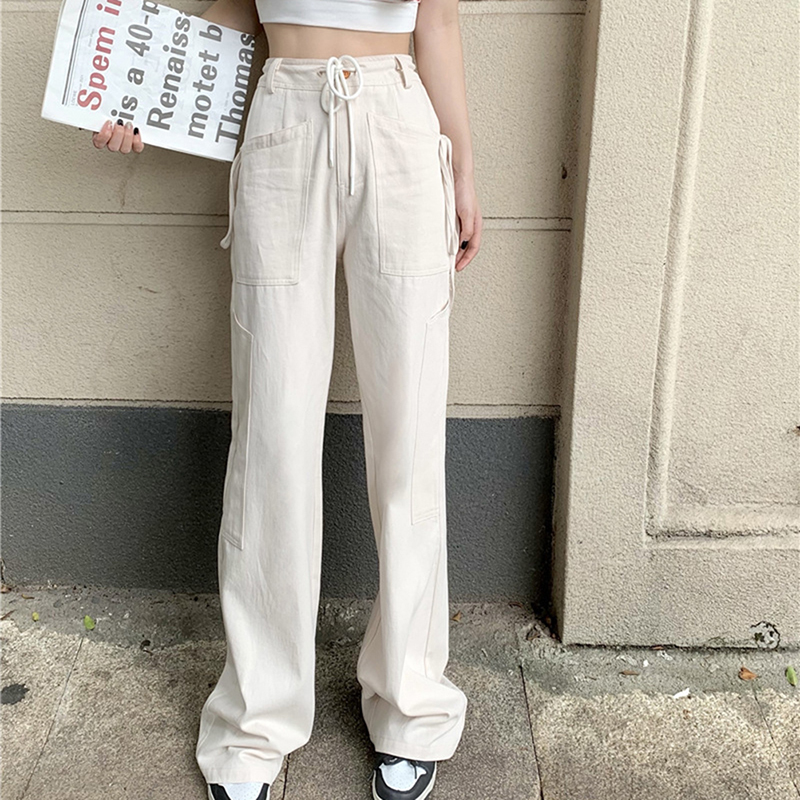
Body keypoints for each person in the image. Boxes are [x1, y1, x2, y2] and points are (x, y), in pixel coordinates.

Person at [92, 0, 481, 797]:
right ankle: (256, 718)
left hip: (400, 124)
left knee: (409, 436)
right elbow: (235, 11)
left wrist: (464, 172)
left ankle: (411, 703)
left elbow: (438, 23)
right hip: (284, 115)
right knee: (271, 434)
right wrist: (144, 93)